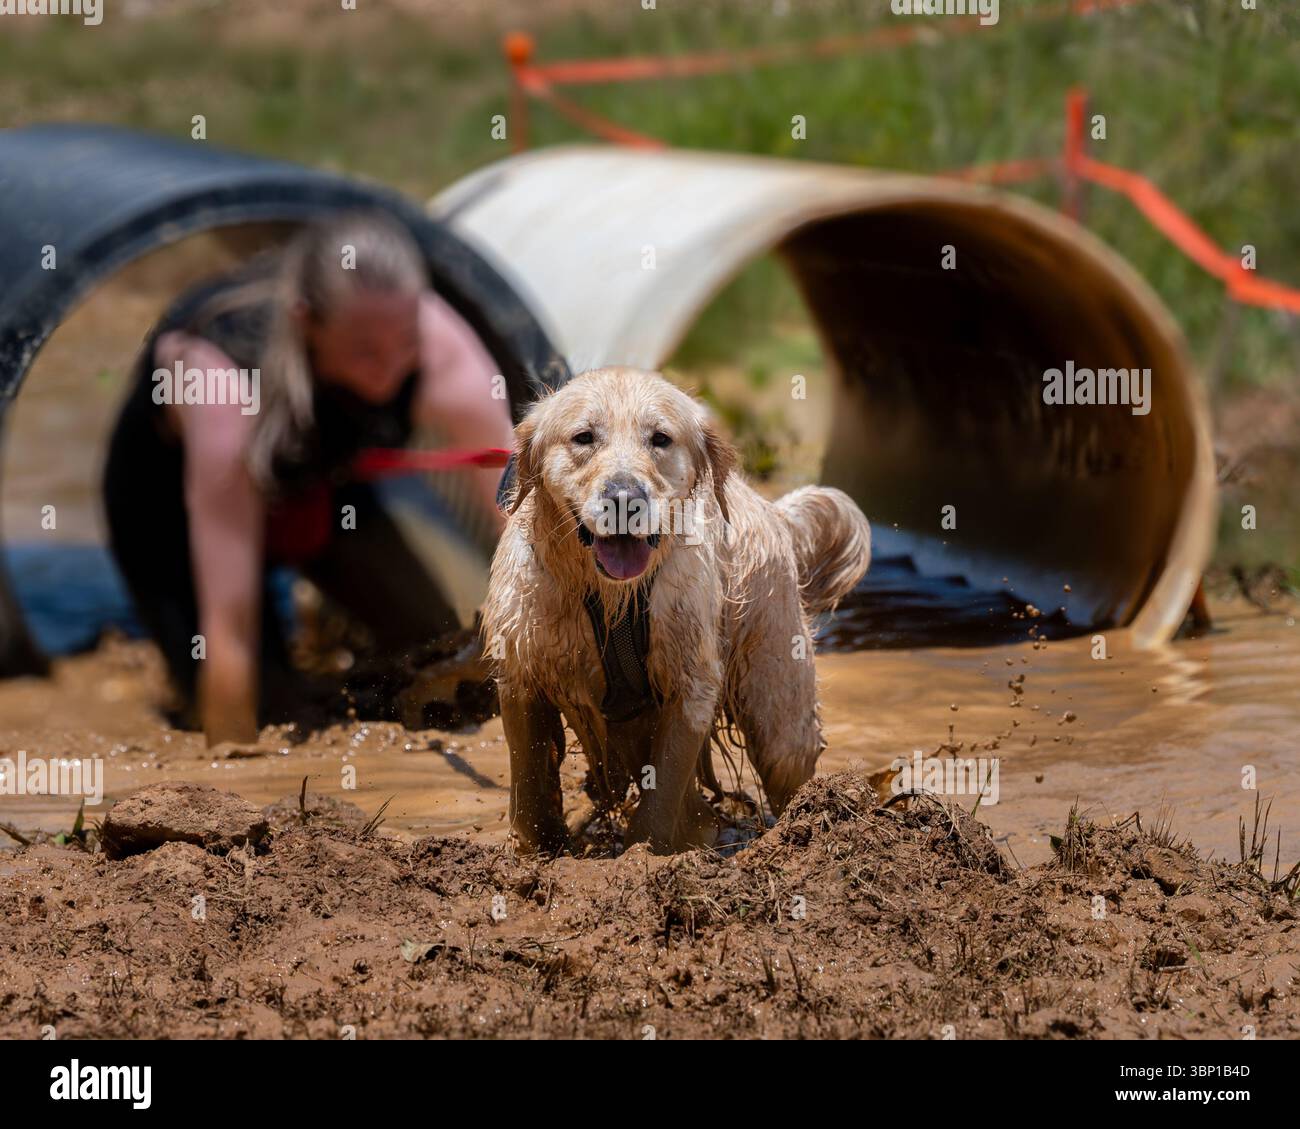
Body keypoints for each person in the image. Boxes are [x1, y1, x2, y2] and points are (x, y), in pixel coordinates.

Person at [103, 212, 513, 746]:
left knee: (434, 658)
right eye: (365, 351)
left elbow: (522, 529)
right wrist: (233, 780)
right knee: (274, 719)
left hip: (322, 487)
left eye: (405, 343)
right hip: (171, 510)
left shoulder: (441, 348)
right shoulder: (222, 379)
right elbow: (229, 627)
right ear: (305, 322)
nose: (389, 369)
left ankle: (346, 673)